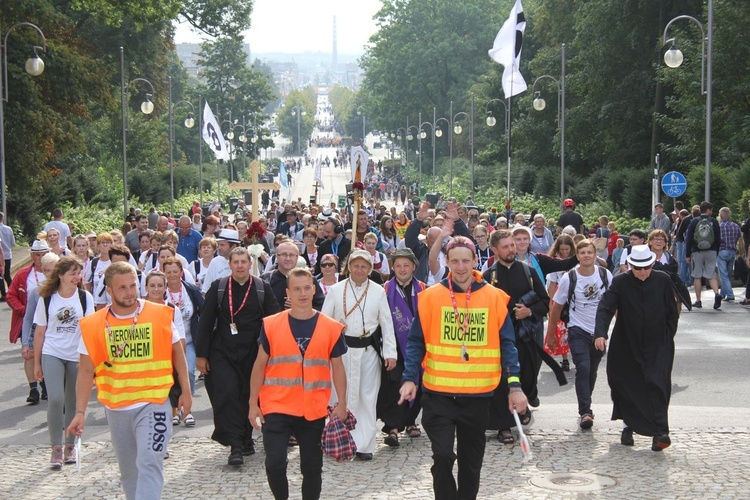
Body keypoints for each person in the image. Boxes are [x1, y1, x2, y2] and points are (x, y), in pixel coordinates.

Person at [399, 236, 527, 500]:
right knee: (443, 455)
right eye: (454, 261)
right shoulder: (430, 297)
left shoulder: (494, 298)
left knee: (471, 463)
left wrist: (514, 386)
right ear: (446, 261)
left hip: (478, 397)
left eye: (465, 261)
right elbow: (415, 343)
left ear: (475, 261)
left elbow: (509, 347)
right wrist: (410, 378)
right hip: (438, 395)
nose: (460, 267)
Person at [67, 262, 191, 499]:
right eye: (122, 287)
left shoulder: (160, 314)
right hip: (116, 408)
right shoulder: (93, 325)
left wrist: (186, 390)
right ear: (110, 291)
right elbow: (85, 371)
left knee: (149, 462)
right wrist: (80, 411)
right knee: (129, 473)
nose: (130, 292)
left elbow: (178, 353)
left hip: (154, 403)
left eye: (133, 285)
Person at [249, 268, 348, 500]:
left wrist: (342, 403)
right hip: (276, 405)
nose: (302, 293)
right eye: (297, 289)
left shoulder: (331, 327)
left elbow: (339, 368)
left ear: (314, 289)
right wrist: (253, 403)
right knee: (274, 463)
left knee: (312, 467)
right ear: (287, 293)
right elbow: (259, 365)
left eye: (306, 288)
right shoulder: (271, 324)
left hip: (312, 408)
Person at [195, 247, 281, 465]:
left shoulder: (262, 288)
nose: (240, 266)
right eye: (236, 262)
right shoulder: (220, 287)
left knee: (247, 395)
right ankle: (235, 445)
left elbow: (274, 322)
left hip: (253, 351)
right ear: (230, 265)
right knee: (228, 393)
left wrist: (275, 354)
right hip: (223, 350)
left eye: (244, 262)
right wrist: (201, 355)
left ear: (250, 263)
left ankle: (246, 437)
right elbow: (205, 322)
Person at [594, 245, 678, 451]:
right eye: (637, 268)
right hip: (626, 341)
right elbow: (606, 307)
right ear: (630, 265)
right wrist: (600, 333)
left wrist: (667, 337)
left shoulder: (663, 280)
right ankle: (628, 425)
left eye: (646, 267)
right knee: (625, 383)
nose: (642, 272)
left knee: (656, 383)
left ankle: (660, 432)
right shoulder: (621, 282)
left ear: (652, 264)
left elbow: (672, 312)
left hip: (658, 342)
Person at [321, 250, 397, 461]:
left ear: (370, 269)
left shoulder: (378, 291)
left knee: (367, 396)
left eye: (364, 266)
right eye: (356, 265)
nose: (360, 270)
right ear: (349, 267)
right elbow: (324, 322)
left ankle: (364, 445)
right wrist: (335, 328)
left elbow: (387, 323)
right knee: (339, 396)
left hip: (368, 353)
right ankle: (338, 440)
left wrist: (390, 353)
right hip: (341, 354)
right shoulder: (336, 290)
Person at [33, 256, 93, 468]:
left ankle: (70, 446)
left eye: (79, 273)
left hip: (76, 355)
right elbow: (40, 332)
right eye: (72, 274)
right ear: (60, 275)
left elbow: (90, 331)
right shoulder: (47, 299)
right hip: (52, 352)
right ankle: (55, 448)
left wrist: (89, 362)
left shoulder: (85, 298)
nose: (77, 277)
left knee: (73, 403)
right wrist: (37, 363)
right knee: (56, 399)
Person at [546, 239, 613, 430]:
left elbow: (614, 302)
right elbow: (556, 306)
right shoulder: (570, 277)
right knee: (582, 367)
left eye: (589, 253)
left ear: (594, 255)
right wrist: (551, 335)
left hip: (599, 332)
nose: (586, 256)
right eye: (582, 253)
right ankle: (585, 411)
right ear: (577, 256)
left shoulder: (605, 275)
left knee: (592, 370)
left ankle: (586, 402)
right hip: (577, 329)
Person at [378, 248, 425, 446]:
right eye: (398, 265)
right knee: (394, 385)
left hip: (419, 346)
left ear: (414, 266)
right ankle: (393, 428)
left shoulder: (424, 289)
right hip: (394, 345)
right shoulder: (385, 289)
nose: (402, 269)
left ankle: (411, 421)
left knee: (417, 383)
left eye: (406, 265)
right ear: (393, 267)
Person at [8, 239, 50, 404]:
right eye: (37, 255)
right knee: (29, 355)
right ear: (32, 255)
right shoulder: (22, 274)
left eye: (43, 255)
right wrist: (22, 310)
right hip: (30, 320)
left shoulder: (56, 273)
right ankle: (33, 389)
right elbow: (10, 295)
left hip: (48, 322)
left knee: (46, 354)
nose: (39, 258)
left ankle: (46, 386)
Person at [163, 257, 204, 418]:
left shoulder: (191, 291)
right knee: (170, 374)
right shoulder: (160, 291)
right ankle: (173, 409)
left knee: (188, 372)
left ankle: (188, 405)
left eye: (175, 271)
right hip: (167, 343)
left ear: (181, 272)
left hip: (189, 340)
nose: (172, 275)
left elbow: (204, 309)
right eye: (168, 272)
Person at [262, 240, 326, 311]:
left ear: (297, 257)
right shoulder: (266, 279)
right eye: (284, 254)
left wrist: (301, 307)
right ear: (276, 256)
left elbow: (321, 306)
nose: (288, 259)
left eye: (292, 255)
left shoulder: (308, 279)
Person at [545, 235, 575, 371]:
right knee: (561, 328)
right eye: (561, 249)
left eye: (567, 249)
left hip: (574, 295)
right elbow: (552, 283)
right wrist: (551, 303)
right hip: (559, 295)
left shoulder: (576, 261)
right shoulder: (553, 262)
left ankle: (576, 353)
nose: (564, 252)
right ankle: (564, 358)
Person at [685, 201, 722, 309]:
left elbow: (689, 239)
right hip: (712, 251)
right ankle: (716, 293)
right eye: (711, 209)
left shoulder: (694, 221)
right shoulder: (714, 221)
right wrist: (716, 251)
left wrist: (688, 254)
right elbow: (718, 238)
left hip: (697, 251)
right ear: (708, 210)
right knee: (711, 275)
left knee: (697, 276)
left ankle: (698, 300)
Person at [201, 228, 241, 294]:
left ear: (233, 246)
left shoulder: (247, 261)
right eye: (218, 244)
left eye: (222, 245)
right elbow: (205, 290)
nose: (219, 248)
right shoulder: (215, 262)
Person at [717, 207, 744, 302]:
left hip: (722, 252)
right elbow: (741, 241)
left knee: (723, 275)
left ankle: (730, 294)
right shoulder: (736, 226)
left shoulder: (719, 227)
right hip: (732, 252)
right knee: (727, 274)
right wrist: (741, 253)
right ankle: (723, 294)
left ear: (721, 216)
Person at [0, 212, 14, 300]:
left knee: (0, 275)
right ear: (3, 219)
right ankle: (12, 291)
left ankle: (4, 294)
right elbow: (13, 243)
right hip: (8, 254)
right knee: (7, 275)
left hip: (0, 255)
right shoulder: (8, 229)